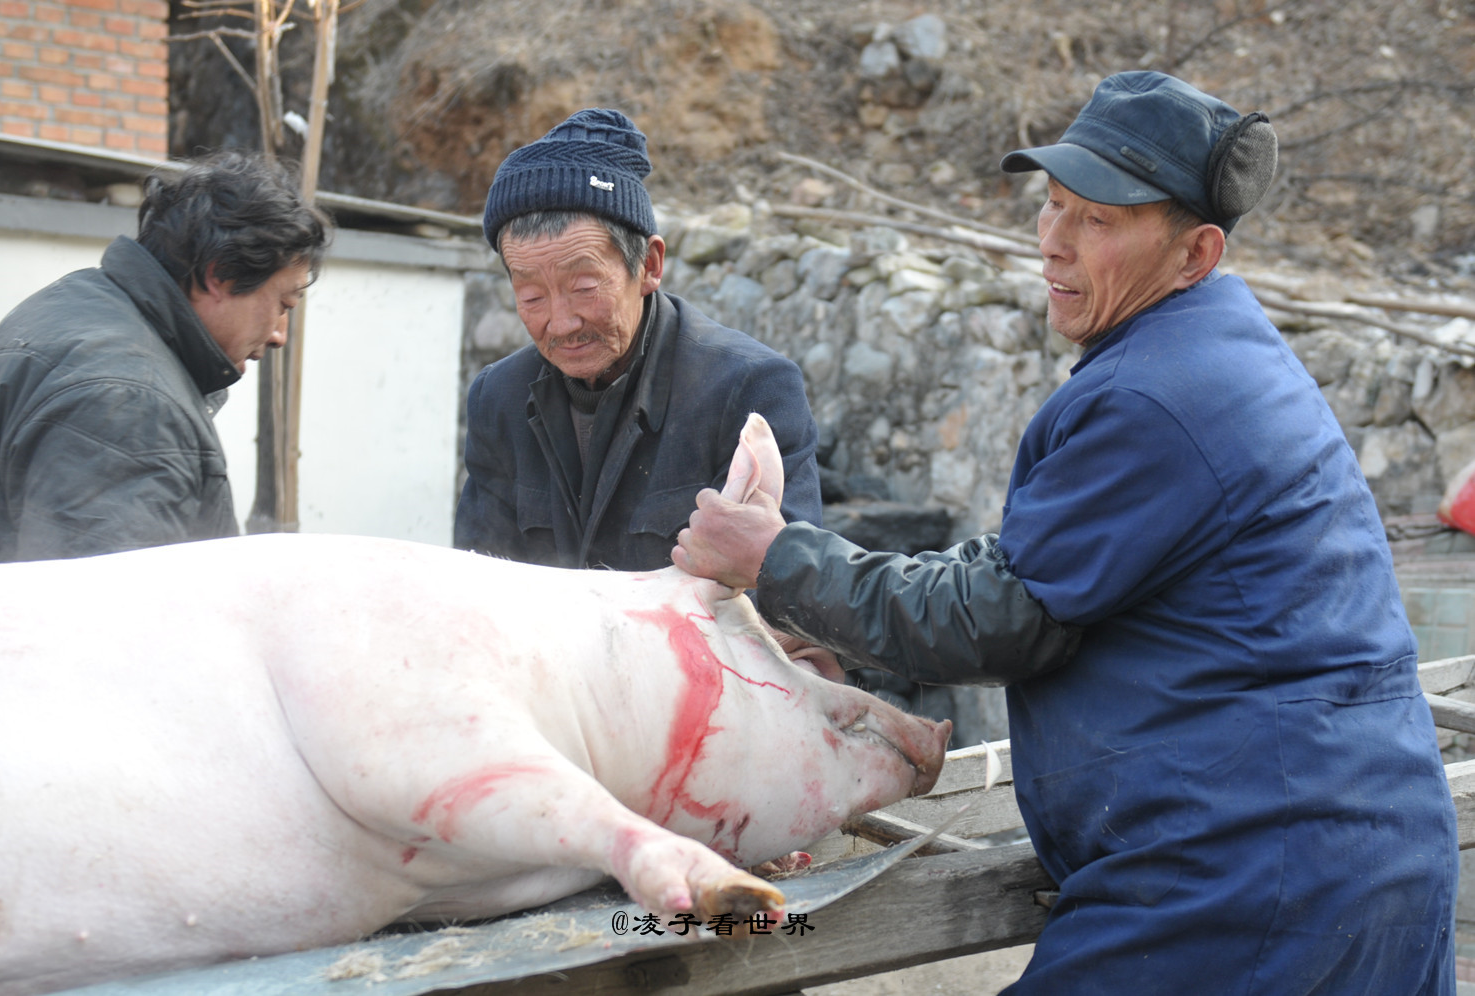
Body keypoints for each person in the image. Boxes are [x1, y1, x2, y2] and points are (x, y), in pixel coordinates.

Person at [672, 71, 1457, 994]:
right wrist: (828, 583)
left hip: (1250, 870)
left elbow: (1003, 615)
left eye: (1100, 220)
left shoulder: (1157, 396)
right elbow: (1035, 568)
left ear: (1195, 252)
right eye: (1052, 205)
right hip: (1336, 844)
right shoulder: (1209, 356)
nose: (1053, 242)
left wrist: (776, 559)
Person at [454, 107, 821, 573]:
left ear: (648, 266)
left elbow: (787, 595)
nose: (561, 322)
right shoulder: (498, 399)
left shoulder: (748, 391)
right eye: (531, 296)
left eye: (585, 288)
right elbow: (477, 576)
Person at [0, 152, 331, 565]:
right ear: (219, 276)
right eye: (283, 303)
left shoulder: (73, 306)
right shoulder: (129, 403)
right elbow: (110, 616)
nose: (279, 336)